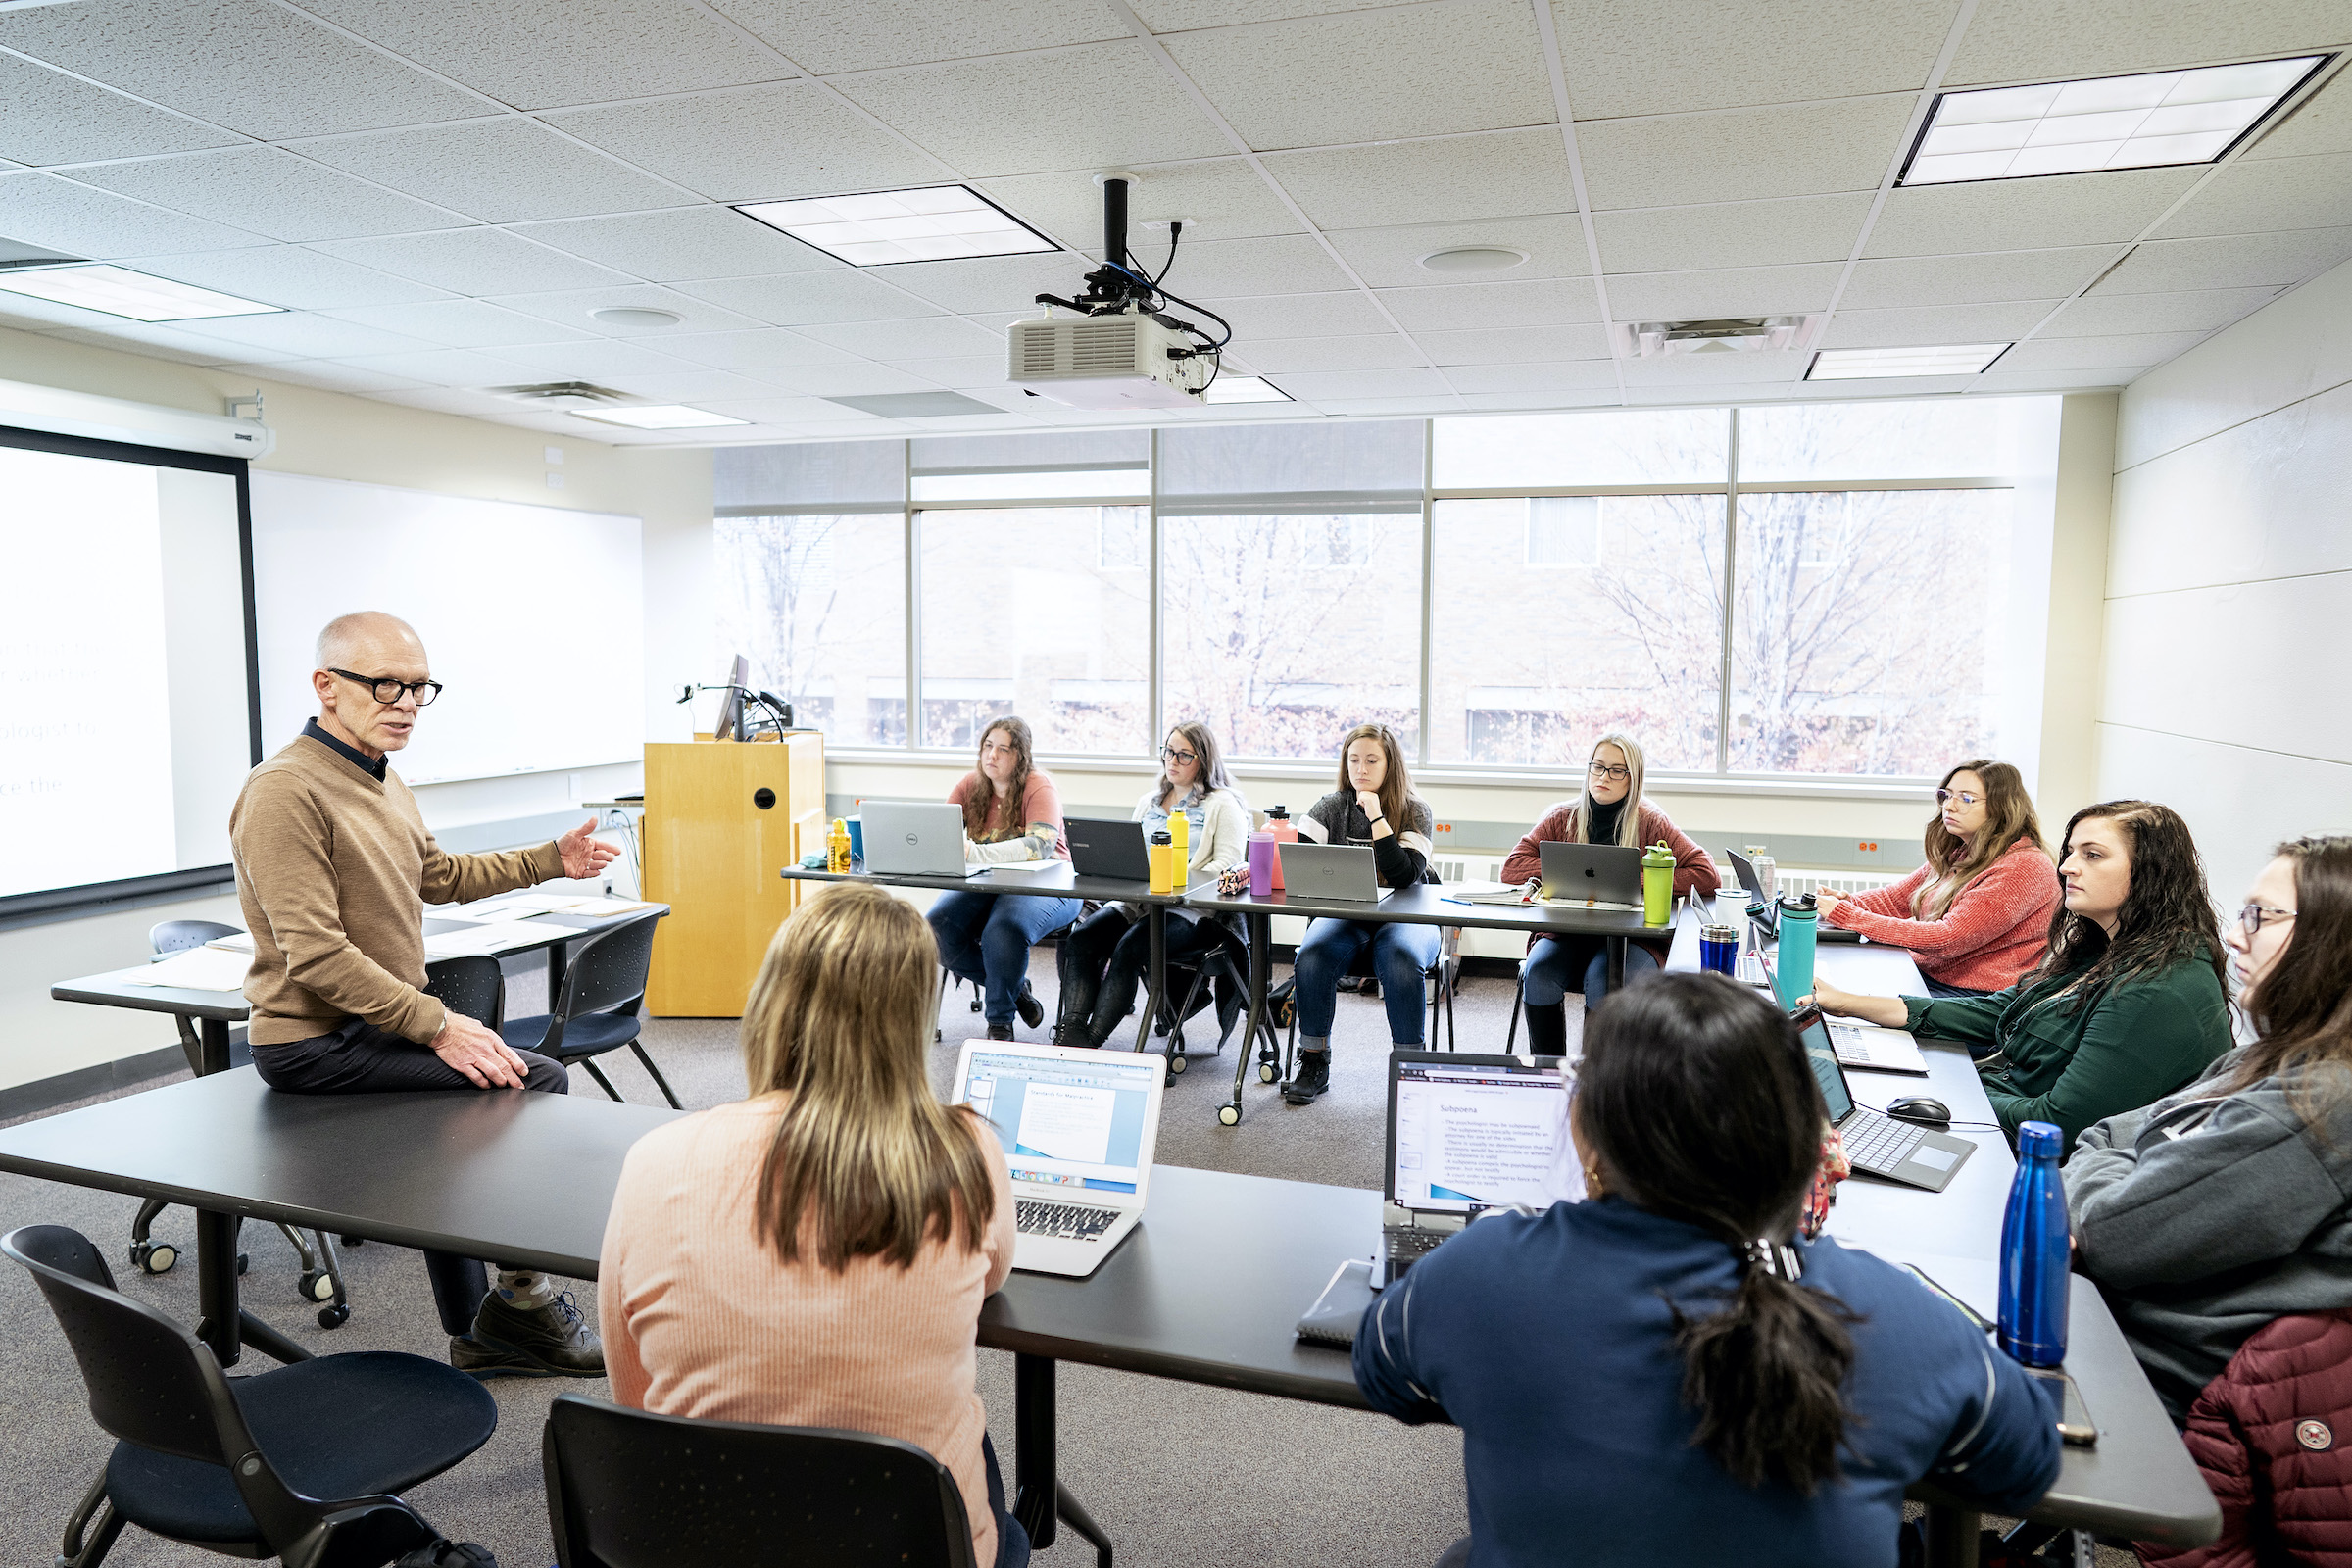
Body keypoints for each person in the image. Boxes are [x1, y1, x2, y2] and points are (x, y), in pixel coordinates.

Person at [1355, 973, 2060, 1566]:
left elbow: (1384, 1373)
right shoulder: (1890, 1313)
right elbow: (2023, 1464)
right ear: (1803, 1141)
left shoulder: (1480, 1273)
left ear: (1582, 1131)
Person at [229, 611, 618, 1377]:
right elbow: (313, 954)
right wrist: (438, 1026)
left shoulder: (380, 773)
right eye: (384, 685)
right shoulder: (284, 792)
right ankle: (518, 1308)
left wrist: (549, 858)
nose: (405, 702)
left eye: (418, 686)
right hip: (314, 1044)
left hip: (371, 1029)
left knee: (475, 1107)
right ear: (326, 687)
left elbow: (436, 877)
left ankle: (491, 1323)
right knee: (526, 1080)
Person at [600, 882, 1026, 1568]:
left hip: (700, 1545)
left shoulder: (653, 1160)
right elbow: (994, 1271)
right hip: (911, 1547)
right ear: (912, 1018)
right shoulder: (967, 1153)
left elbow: (635, 1400)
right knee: (969, 1447)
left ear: (773, 1000)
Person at [2068, 834, 2352, 1422]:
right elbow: (2102, 1134)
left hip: (2157, 1383)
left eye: (2260, 915)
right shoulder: (2268, 1058)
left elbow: (2111, 1234)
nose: (2234, 932)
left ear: (2334, 942)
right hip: (2116, 1327)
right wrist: (2125, 1169)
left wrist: (2097, 1183)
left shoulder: (2313, 1104)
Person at [1809, 800, 2231, 1152]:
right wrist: (1846, 1003)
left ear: (2151, 873)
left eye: (2093, 855)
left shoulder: (2158, 989)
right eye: (2070, 852)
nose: (2067, 867)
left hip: (2028, 1157)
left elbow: (2058, 1123)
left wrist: (1957, 1092)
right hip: (1997, 1113)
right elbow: (1998, 1011)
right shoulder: (2107, 947)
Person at [1498, 733, 1718, 1054]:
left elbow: (1707, 874)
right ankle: (1550, 1078)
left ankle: (1596, 1083)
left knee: (1603, 981)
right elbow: (1513, 867)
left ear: (1634, 779)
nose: (1603, 777)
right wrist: (1568, 870)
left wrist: (1635, 879)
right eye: (1598, 767)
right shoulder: (1562, 817)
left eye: (1617, 770)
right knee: (1538, 973)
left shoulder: (1651, 822)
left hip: (1633, 939)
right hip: (1567, 934)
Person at [1056, 720, 1250, 1049]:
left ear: (1203, 760)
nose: (1173, 761)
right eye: (1169, 751)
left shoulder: (1222, 804)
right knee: (1082, 939)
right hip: (1137, 903)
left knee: (1129, 949)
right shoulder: (1149, 801)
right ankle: (1071, 1032)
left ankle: (1091, 1040)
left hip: (1191, 912)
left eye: (1184, 755)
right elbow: (1127, 853)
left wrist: (1174, 881)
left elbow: (1225, 866)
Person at [1284, 723, 1439, 1105]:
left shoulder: (1416, 811)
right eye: (1354, 760)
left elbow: (1404, 876)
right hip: (1348, 917)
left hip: (1408, 919)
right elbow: (1301, 865)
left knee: (1399, 958)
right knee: (1312, 955)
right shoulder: (1329, 807)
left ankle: (1410, 1067)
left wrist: (1376, 817)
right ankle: (1314, 1060)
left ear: (1391, 765)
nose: (1361, 769)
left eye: (1372, 760)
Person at [1815, 760, 2058, 998]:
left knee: (1840, 999)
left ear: (2001, 807)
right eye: (1947, 795)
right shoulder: (1962, 852)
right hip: (1933, 977)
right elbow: (1895, 899)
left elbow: (1947, 939)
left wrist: (1847, 915)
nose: (1949, 806)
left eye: (1965, 798)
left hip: (1975, 996)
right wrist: (1847, 901)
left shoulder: (2022, 866)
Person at [925, 717, 1079, 1042]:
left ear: (1020, 756)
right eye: (987, 746)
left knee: (1003, 930)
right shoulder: (970, 785)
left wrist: (977, 853)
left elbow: (1040, 845)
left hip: (1051, 883)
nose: (991, 756)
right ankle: (1016, 989)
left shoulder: (1039, 786)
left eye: (1002, 749)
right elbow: (938, 832)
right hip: (989, 883)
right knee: (935, 929)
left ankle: (999, 1024)